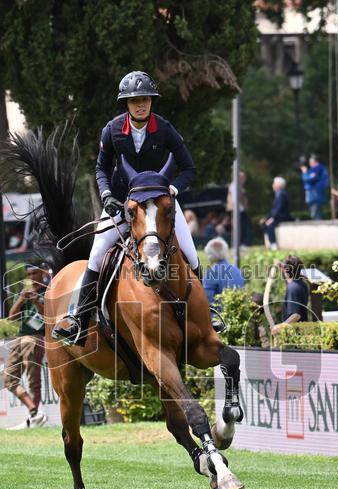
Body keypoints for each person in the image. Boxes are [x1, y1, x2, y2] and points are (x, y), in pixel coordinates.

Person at [52, 70, 199, 345]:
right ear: (126, 104)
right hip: (123, 205)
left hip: (160, 206)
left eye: (145, 99)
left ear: (151, 101)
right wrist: (107, 194)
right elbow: (101, 168)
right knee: (96, 256)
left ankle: (206, 312)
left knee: (191, 254)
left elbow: (188, 167)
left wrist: (174, 189)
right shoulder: (112, 130)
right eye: (134, 101)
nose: (140, 104)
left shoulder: (165, 129)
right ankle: (78, 320)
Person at [5, 264, 49, 431]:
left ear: (43, 273)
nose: (31, 277)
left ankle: (34, 418)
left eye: (35, 273)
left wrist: (37, 301)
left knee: (33, 381)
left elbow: (49, 316)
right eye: (29, 274)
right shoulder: (25, 290)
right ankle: (34, 411)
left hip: (36, 337)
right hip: (20, 336)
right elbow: (12, 317)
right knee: (9, 379)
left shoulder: (49, 290)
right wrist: (22, 298)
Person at [271, 255, 310, 336]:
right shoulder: (302, 284)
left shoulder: (292, 288)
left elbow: (296, 315)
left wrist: (280, 326)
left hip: (295, 335)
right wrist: (283, 267)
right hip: (302, 332)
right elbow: (289, 279)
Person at [202, 237, 246, 305]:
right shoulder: (237, 270)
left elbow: (206, 301)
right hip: (239, 312)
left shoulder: (211, 273)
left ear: (210, 256)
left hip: (219, 314)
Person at [262, 176, 290, 250]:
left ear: (278, 185)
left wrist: (272, 218)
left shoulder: (281, 194)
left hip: (282, 216)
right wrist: (267, 217)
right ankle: (270, 243)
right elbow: (274, 209)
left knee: (270, 224)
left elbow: (279, 208)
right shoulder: (279, 194)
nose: (273, 185)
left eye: (274, 183)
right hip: (278, 216)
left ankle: (273, 243)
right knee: (265, 223)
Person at [225, 170, 251, 245]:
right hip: (237, 210)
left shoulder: (237, 185)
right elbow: (235, 199)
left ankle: (240, 243)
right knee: (239, 228)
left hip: (239, 210)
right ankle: (240, 243)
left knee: (241, 227)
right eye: (243, 177)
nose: (244, 179)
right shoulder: (235, 186)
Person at [301, 154, 329, 221]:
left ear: (315, 162)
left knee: (315, 215)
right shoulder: (321, 169)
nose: (310, 164)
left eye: (311, 162)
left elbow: (308, 179)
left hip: (315, 195)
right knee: (317, 213)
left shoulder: (317, 169)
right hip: (317, 195)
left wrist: (304, 173)